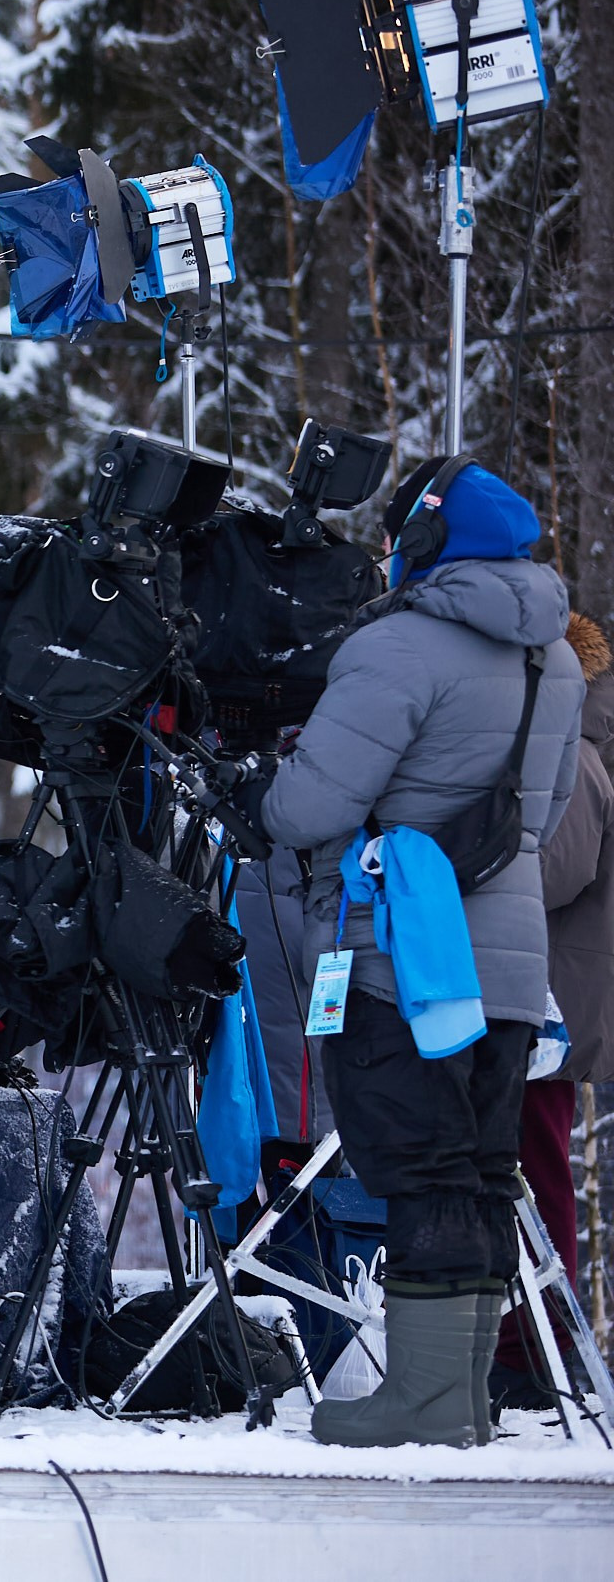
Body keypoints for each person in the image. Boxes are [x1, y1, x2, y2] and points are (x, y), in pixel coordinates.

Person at [245, 457, 584, 1447]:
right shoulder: (554, 659)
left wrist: (259, 789)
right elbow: (546, 812)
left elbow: (309, 807)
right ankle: (461, 1394)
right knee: (480, 1170)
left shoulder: (396, 646)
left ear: (428, 540)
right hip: (509, 967)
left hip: (400, 956)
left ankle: (423, 1398)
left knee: (418, 1169)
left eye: (398, 534)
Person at [498, 610, 614, 1408]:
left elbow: (554, 871)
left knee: (536, 1170)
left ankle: (540, 1347)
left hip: (548, 998)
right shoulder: (575, 735)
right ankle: (532, 1340)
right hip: (543, 989)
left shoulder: (574, 744)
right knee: (533, 1166)